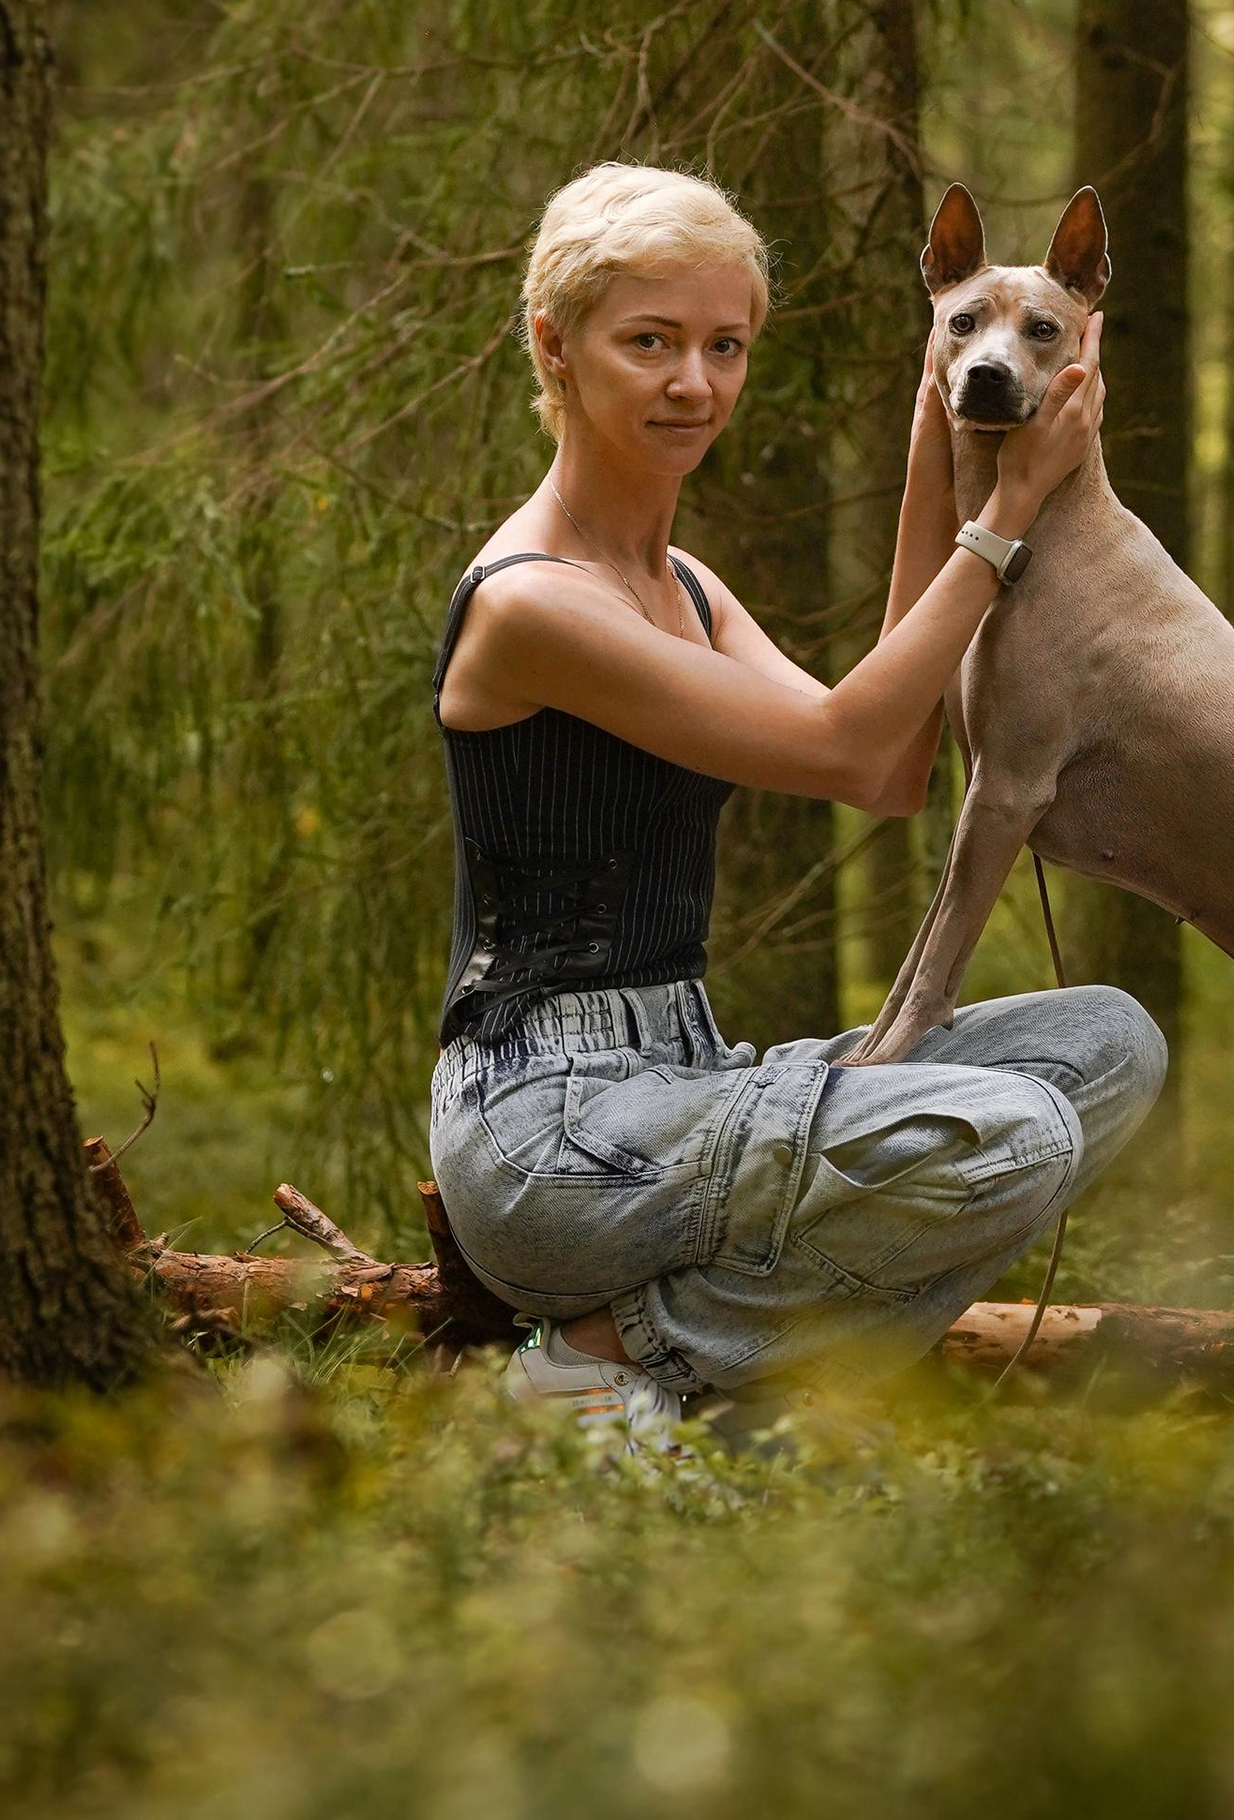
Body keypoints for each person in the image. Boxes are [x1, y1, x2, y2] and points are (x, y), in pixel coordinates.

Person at [429, 160, 1166, 1444]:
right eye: (650, 342)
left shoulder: (688, 587)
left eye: (724, 346)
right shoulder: (532, 603)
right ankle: (602, 1363)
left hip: (683, 1081)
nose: (694, 383)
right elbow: (844, 742)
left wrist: (936, 442)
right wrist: (1003, 518)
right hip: (549, 1133)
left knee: (1108, 1044)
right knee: (1016, 1136)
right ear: (554, 346)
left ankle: (702, 1410)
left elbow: (886, 773)